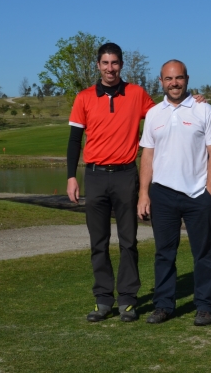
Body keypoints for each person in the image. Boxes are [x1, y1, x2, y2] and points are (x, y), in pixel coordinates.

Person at [67, 42, 156, 323]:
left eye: (114, 63)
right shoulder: (83, 98)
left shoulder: (137, 94)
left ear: (121, 65)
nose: (110, 68)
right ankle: (103, 299)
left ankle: (128, 300)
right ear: (98, 65)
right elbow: (74, 141)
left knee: (128, 241)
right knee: (99, 242)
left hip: (126, 174)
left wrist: (192, 101)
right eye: (105, 63)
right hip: (93, 175)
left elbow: (163, 116)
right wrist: (71, 176)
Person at [137, 60, 211, 326]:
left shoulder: (203, 109)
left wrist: (210, 190)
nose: (173, 83)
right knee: (164, 253)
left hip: (197, 194)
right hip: (162, 194)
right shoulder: (154, 114)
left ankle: (205, 306)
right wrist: (144, 193)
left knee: (203, 253)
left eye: (178, 78)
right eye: (168, 79)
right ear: (161, 81)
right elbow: (147, 155)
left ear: (186, 79)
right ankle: (163, 305)